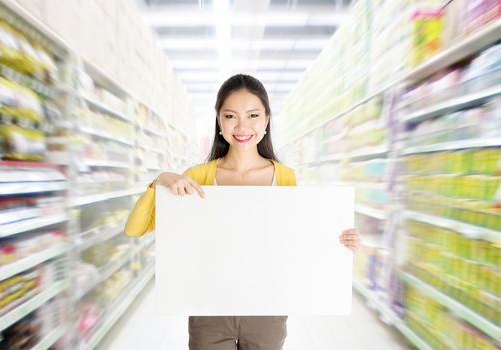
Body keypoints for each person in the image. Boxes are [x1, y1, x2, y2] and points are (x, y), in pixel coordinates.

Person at [125, 73, 360, 350]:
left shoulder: (284, 176)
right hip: (209, 308)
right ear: (219, 121)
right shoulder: (196, 176)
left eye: (252, 115)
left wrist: (339, 240)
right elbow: (135, 228)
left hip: (267, 309)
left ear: (267, 120)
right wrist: (160, 181)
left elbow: (294, 240)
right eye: (230, 116)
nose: (242, 126)